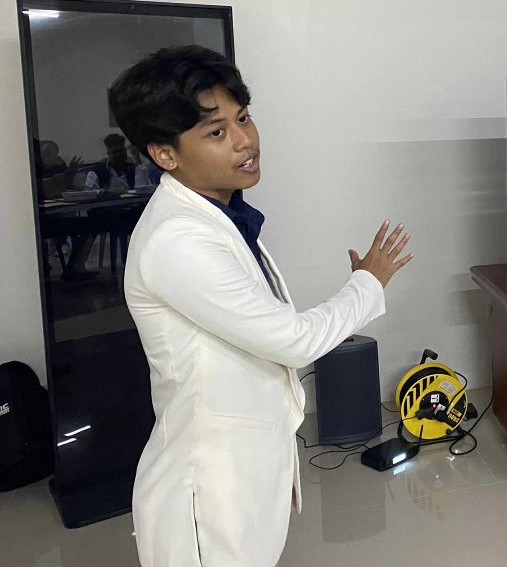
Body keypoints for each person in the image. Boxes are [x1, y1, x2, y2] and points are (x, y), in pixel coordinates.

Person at [108, 45, 413, 567]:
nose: (246, 140)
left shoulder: (220, 212)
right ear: (165, 153)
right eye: (216, 132)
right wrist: (367, 282)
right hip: (208, 486)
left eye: (243, 118)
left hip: (247, 468)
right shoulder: (178, 241)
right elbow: (293, 342)